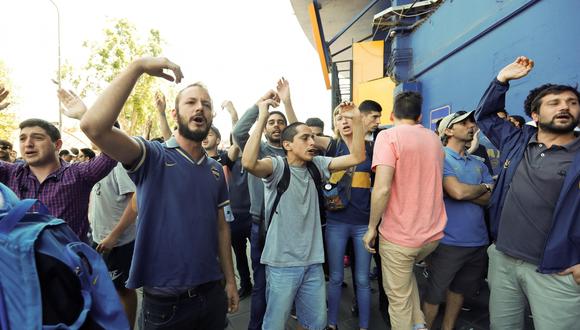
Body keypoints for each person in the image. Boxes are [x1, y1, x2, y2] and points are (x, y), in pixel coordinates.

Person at [79, 57, 239, 329]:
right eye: (190, 102)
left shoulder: (215, 170)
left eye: (206, 104)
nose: (200, 106)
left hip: (212, 295)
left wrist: (231, 280)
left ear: (211, 117)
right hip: (166, 306)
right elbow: (93, 126)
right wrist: (138, 67)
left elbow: (222, 227)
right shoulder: (152, 156)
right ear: (175, 115)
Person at [474, 56, 580, 330]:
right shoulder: (515, 140)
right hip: (503, 258)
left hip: (556, 269)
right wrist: (501, 80)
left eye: (572, 102)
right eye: (554, 103)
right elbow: (484, 115)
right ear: (535, 114)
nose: (564, 107)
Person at [242, 99, 366, 330]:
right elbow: (249, 163)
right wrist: (261, 116)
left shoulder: (317, 164)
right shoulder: (277, 166)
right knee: (274, 324)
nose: (312, 142)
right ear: (287, 145)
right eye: (305, 138)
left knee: (316, 324)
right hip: (282, 264)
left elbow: (357, 157)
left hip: (313, 263)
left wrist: (357, 121)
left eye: (312, 137)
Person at [362, 91, 447, 330]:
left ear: (391, 114)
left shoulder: (388, 137)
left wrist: (371, 228)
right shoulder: (433, 138)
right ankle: (419, 325)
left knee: (398, 301)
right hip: (432, 236)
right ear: (420, 115)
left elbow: (382, 189)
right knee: (407, 284)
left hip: (400, 237)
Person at [0, 88, 117, 242]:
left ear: (57, 145)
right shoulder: (9, 173)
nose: (28, 144)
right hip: (19, 263)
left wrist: (87, 116)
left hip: (67, 264)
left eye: (38, 138)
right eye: (22, 138)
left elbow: (113, 150)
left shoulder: (79, 174)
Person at [232, 78, 297, 330]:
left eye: (281, 122)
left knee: (290, 279)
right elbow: (238, 132)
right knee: (261, 282)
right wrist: (261, 106)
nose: (277, 125)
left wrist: (288, 102)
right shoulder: (257, 149)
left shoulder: (294, 150)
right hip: (262, 225)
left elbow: (300, 131)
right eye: (272, 122)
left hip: (290, 226)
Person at [422, 111, 493, 330]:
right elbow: (458, 192)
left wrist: (470, 191)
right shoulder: (439, 158)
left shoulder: (478, 163)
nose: (472, 126)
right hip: (447, 242)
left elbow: (491, 200)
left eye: (472, 122)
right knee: (434, 295)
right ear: (449, 130)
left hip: (477, 242)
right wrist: (482, 188)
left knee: (459, 291)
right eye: (464, 123)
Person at [319, 104, 375, 330]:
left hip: (363, 224)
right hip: (336, 223)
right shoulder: (331, 146)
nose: (344, 121)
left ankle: (364, 325)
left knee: (362, 280)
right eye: (338, 118)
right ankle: (332, 323)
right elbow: (301, 136)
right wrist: (289, 101)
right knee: (334, 277)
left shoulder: (370, 149)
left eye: (348, 117)